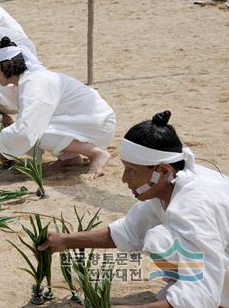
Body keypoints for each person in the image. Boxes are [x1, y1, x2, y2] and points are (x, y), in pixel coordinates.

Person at [37, 111, 229, 307]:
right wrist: (66, 241)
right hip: (217, 263)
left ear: (161, 170)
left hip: (217, 275)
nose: (124, 178)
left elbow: (203, 289)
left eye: (132, 171)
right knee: (160, 239)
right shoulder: (169, 185)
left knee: (161, 240)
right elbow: (128, 231)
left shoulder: (193, 205)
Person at [0, 37, 116, 178]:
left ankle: (97, 154)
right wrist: (3, 147)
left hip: (99, 124)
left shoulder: (33, 83)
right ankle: (70, 157)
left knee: (38, 132)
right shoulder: (28, 80)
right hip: (88, 121)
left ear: (6, 64)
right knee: (36, 128)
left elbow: (26, 129)